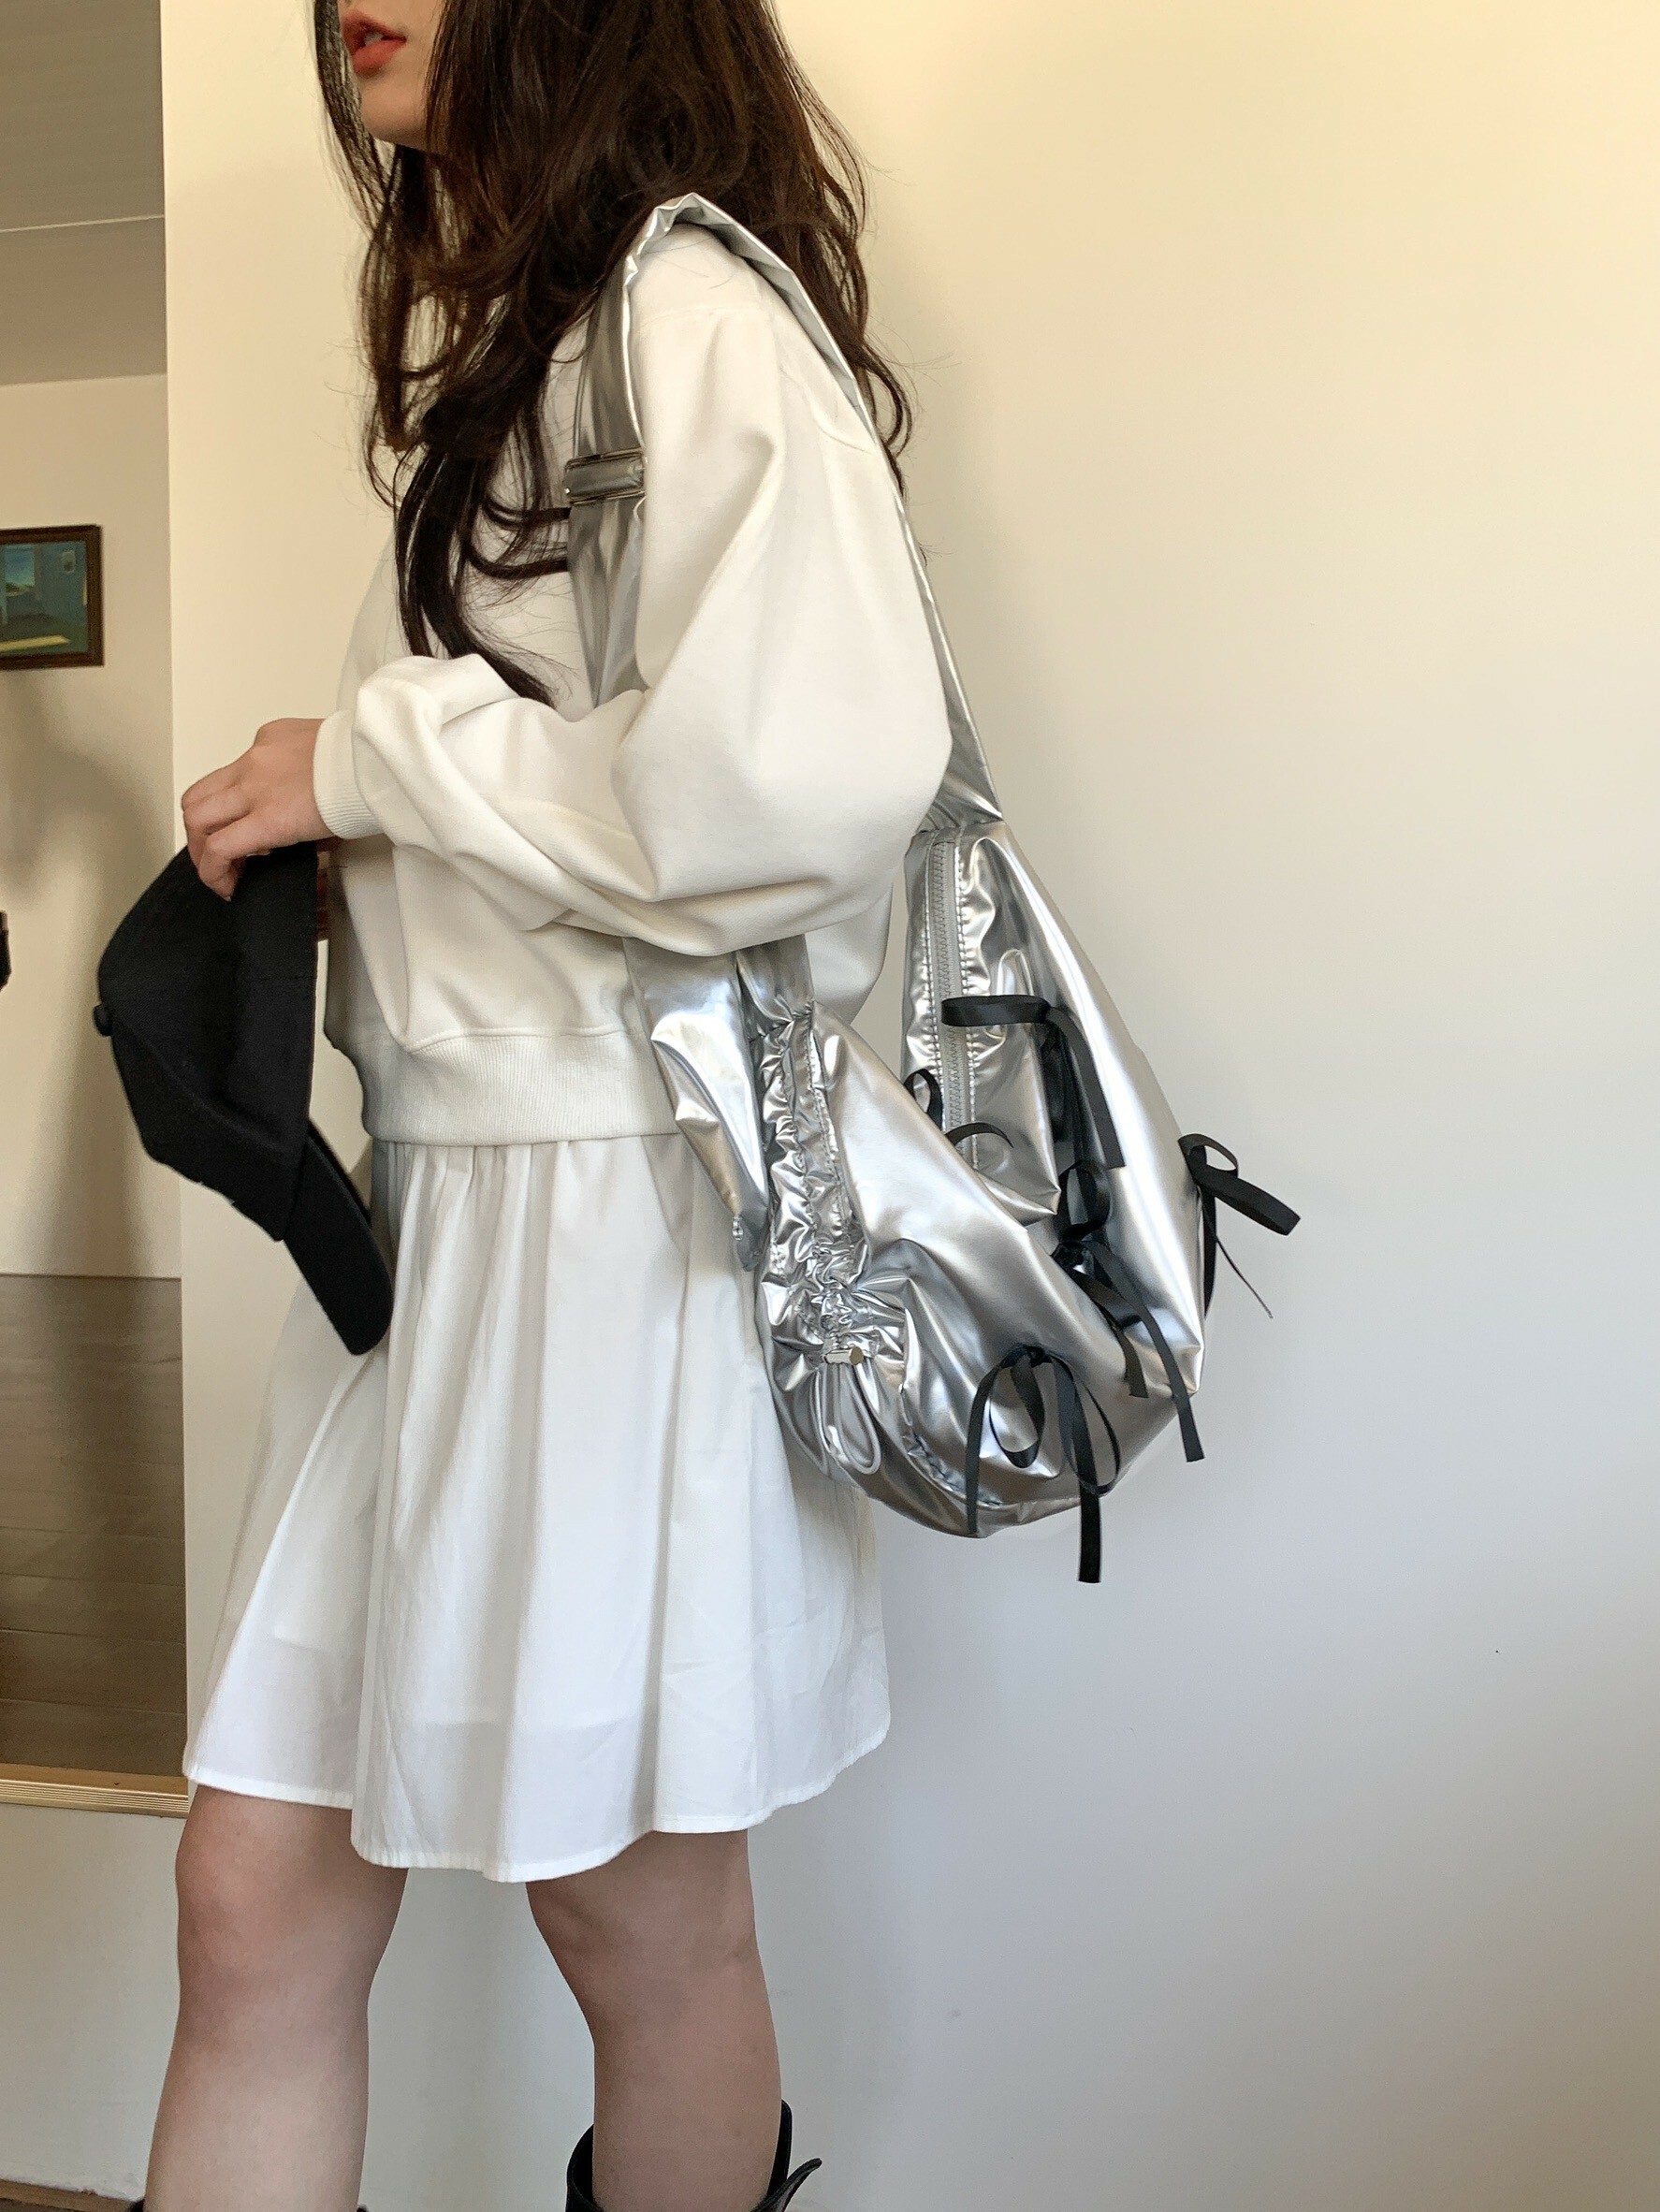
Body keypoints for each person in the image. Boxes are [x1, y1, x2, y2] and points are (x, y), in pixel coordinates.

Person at [133, 1, 951, 2208]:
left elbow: (801, 785)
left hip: (607, 1225)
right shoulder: (554, 344)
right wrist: (368, 836)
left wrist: (371, 761)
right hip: (431, 1230)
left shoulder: (688, 313)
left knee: (637, 1927)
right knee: (254, 1901)